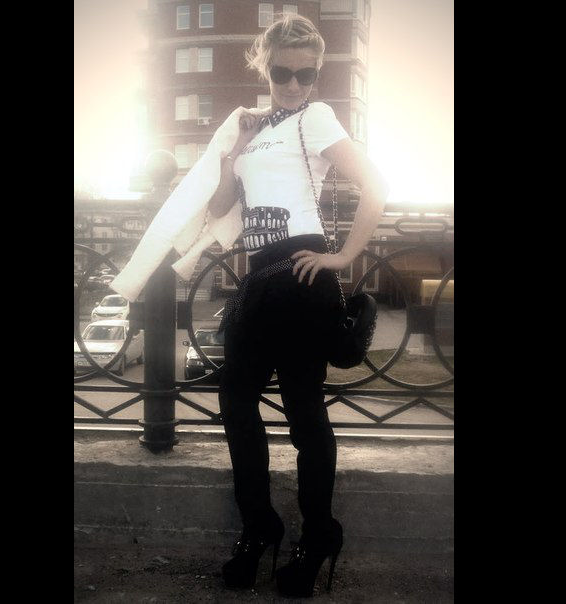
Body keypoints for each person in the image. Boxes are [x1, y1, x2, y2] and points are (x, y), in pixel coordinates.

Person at [208, 14, 388, 598]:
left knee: (304, 415)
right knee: (236, 401)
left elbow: (376, 186)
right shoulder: (253, 127)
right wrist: (232, 153)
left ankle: (317, 537)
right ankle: (259, 527)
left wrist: (343, 257)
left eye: (305, 75)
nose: (293, 84)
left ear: (317, 74)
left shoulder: (317, 117)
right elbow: (218, 209)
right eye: (282, 72)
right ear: (265, 68)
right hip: (259, 279)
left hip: (304, 275)